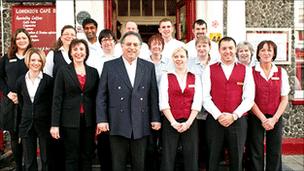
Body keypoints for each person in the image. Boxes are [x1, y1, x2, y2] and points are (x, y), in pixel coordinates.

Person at [96, 31, 161, 171]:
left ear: (140, 47)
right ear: (121, 46)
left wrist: (155, 118)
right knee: (118, 164)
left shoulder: (148, 67)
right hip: (117, 121)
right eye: (128, 44)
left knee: (139, 164)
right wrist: (102, 119)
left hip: (141, 121)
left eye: (135, 44)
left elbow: (153, 95)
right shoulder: (109, 66)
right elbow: (102, 95)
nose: (132, 47)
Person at [202, 37, 255, 171]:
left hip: (237, 121)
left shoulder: (245, 70)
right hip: (214, 121)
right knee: (212, 158)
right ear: (219, 50)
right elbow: (205, 97)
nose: (227, 51)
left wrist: (234, 115)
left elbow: (249, 98)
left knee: (237, 159)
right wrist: (219, 115)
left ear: (235, 49)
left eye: (230, 48)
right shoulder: (209, 69)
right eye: (224, 48)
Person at [50, 39, 99, 171]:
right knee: (71, 156)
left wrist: (100, 121)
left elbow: (97, 98)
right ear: (70, 53)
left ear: (86, 52)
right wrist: (54, 124)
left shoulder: (93, 72)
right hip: (69, 121)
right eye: (75, 49)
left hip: (89, 121)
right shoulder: (63, 71)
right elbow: (57, 99)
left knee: (87, 155)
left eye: (81, 49)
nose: (79, 52)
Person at [248, 40, 290, 171]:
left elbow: (284, 99)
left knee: (275, 150)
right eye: (263, 50)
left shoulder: (281, 72)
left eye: (269, 50)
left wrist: (274, 119)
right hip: (256, 116)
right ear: (258, 53)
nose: (266, 53)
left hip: (275, 116)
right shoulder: (251, 72)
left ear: (274, 54)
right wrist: (262, 118)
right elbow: (249, 98)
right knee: (256, 150)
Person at [159, 47, 202, 171]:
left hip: (190, 122)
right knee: (168, 156)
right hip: (170, 121)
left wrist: (188, 122)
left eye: (182, 56)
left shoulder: (195, 77)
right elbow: (163, 101)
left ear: (187, 58)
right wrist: (173, 122)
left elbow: (197, 101)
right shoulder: (166, 76)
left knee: (191, 156)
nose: (179, 59)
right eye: (176, 56)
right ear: (172, 59)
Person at [43, 25, 76, 171]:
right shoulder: (53, 55)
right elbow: (47, 78)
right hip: (57, 102)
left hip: (74, 104)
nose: (69, 36)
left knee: (72, 141)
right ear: (61, 36)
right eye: (66, 34)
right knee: (57, 139)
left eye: (72, 34)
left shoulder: (79, 53)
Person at [0, 28, 33, 171]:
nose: (21, 41)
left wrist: (23, 96)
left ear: (29, 40)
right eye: (18, 38)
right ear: (14, 41)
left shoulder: (33, 56)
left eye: (24, 38)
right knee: (14, 136)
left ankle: (29, 165)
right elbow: (0, 78)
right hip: (11, 102)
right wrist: (8, 93)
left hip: (28, 102)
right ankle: (18, 166)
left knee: (27, 135)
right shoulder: (6, 58)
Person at [15, 48, 53, 171]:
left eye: (39, 60)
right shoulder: (20, 81)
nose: (35, 63)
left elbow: (52, 103)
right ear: (28, 61)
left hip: (44, 123)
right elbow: (21, 103)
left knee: (46, 158)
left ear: (42, 62)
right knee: (29, 159)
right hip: (26, 124)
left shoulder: (48, 81)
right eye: (33, 60)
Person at [187, 35, 211, 169]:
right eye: (199, 46)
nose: (202, 48)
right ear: (195, 48)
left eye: (204, 46)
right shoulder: (189, 63)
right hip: (194, 109)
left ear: (209, 47)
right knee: (196, 140)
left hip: (211, 109)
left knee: (210, 140)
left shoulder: (215, 63)